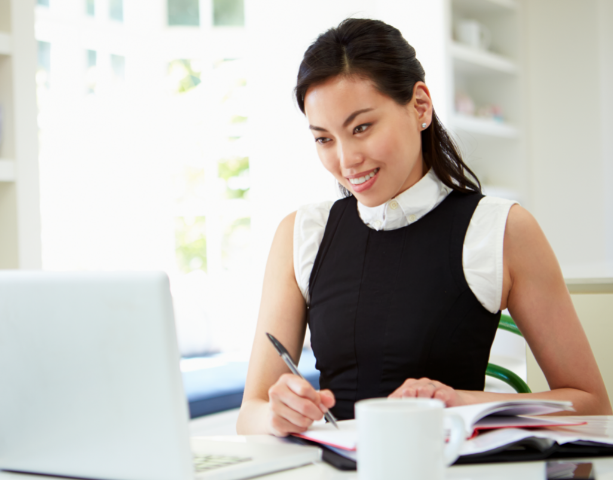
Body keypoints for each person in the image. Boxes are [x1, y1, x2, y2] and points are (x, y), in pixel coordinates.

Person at [236, 18, 611, 437]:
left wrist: (461, 402)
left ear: (420, 106)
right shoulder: (301, 233)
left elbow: (593, 406)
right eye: (324, 139)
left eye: (361, 127)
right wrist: (277, 414)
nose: (346, 160)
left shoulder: (502, 230)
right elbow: (250, 413)